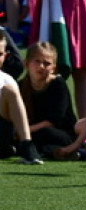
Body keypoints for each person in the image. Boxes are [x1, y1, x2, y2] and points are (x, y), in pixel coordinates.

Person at [20, 42, 76, 157]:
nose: (41, 66)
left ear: (53, 68)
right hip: (29, 131)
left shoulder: (58, 85)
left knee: (45, 133)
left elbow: (53, 121)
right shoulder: (20, 85)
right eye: (37, 61)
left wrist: (25, 131)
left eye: (47, 63)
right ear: (26, 63)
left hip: (59, 132)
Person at [0, 32, 43, 164]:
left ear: (6, 56)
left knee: (10, 90)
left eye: (0, 54)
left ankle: (27, 145)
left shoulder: (7, 80)